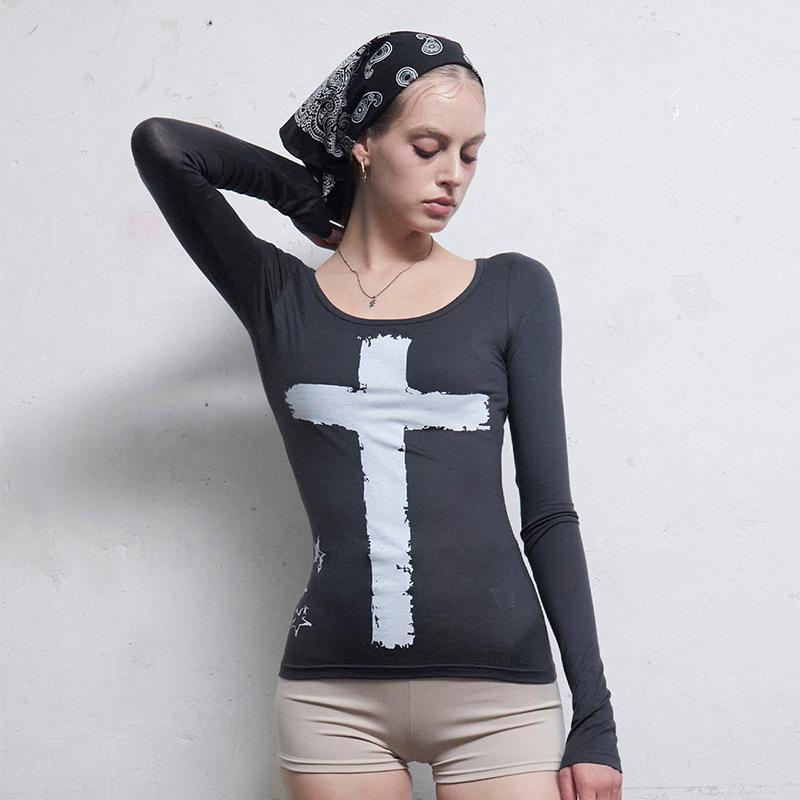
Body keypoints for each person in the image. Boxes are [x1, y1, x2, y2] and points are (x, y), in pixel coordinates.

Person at [130, 29, 623, 800]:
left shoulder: (512, 291)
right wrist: (306, 195)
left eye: (470, 154)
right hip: (333, 703)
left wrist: (595, 718)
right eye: (427, 147)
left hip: (500, 698)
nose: (452, 175)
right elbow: (165, 147)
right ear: (364, 143)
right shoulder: (279, 298)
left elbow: (549, 514)